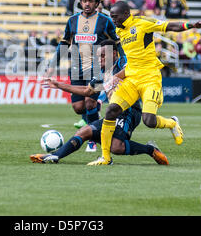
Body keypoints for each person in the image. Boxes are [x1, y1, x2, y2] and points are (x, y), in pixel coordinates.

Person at [87, 1, 201, 165]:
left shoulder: (143, 23)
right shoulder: (118, 30)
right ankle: (105, 158)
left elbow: (170, 26)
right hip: (131, 78)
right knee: (111, 111)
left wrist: (191, 25)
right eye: (111, 17)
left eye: (115, 17)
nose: (113, 20)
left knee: (149, 121)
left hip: (150, 77)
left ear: (126, 14)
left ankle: (171, 123)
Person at [32, 39, 169, 165]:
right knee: (84, 131)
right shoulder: (101, 73)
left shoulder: (122, 63)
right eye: (98, 56)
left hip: (129, 112)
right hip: (113, 114)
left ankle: (150, 150)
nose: (99, 59)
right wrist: (59, 85)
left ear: (113, 53)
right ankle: (55, 156)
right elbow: (88, 91)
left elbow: (131, 66)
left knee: (116, 147)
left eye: (102, 55)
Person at [44, 0, 124, 151]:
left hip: (97, 69)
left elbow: (117, 43)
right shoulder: (72, 20)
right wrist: (52, 66)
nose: (87, 4)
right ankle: (94, 117)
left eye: (91, 1)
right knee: (78, 108)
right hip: (76, 68)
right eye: (84, 1)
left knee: (89, 103)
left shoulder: (105, 21)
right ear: (80, 2)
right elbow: (64, 44)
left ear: (97, 4)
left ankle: (93, 139)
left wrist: (124, 61)